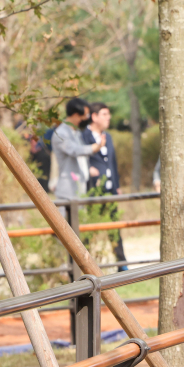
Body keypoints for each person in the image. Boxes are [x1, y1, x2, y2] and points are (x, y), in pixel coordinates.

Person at [82, 103, 128, 270]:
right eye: (104, 114)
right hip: (92, 191)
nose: (108, 117)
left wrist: (117, 186)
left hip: (109, 190)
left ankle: (122, 264)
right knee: (89, 228)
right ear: (94, 117)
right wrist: (88, 170)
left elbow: (112, 163)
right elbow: (79, 159)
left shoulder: (107, 136)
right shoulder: (83, 136)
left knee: (114, 226)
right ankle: (83, 264)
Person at [52, 98, 100, 200]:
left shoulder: (77, 132)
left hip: (80, 189)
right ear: (75, 115)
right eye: (85, 115)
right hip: (68, 191)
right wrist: (94, 147)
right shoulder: (61, 133)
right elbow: (74, 150)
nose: (86, 118)